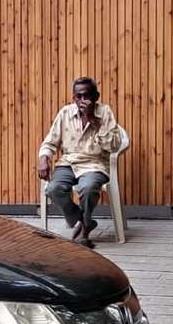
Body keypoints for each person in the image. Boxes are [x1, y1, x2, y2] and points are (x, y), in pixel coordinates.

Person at [37, 77, 122, 248]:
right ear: (74, 98)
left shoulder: (104, 112)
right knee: (53, 189)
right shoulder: (65, 113)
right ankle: (84, 221)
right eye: (79, 96)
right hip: (68, 162)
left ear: (96, 96)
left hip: (94, 163)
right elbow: (50, 142)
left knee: (88, 188)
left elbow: (114, 145)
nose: (83, 100)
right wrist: (43, 159)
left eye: (87, 95)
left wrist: (93, 120)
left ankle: (84, 233)